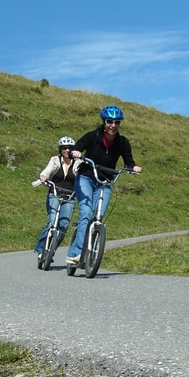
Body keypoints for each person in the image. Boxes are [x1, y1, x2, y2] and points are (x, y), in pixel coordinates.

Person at [65, 105, 142, 264]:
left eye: (117, 122)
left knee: (98, 216)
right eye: (109, 121)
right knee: (86, 212)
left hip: (105, 182)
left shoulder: (122, 142)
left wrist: (133, 167)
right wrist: (75, 153)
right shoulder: (92, 136)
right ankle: (76, 253)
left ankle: (91, 250)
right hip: (86, 178)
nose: (113, 125)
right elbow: (75, 148)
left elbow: (128, 161)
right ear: (104, 121)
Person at [34, 136, 77, 265]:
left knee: (63, 226)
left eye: (69, 148)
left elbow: (82, 176)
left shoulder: (78, 163)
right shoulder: (55, 160)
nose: (67, 150)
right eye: (64, 148)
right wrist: (43, 177)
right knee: (51, 223)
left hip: (70, 197)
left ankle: (51, 251)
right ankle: (42, 250)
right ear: (60, 149)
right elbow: (47, 170)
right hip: (54, 195)